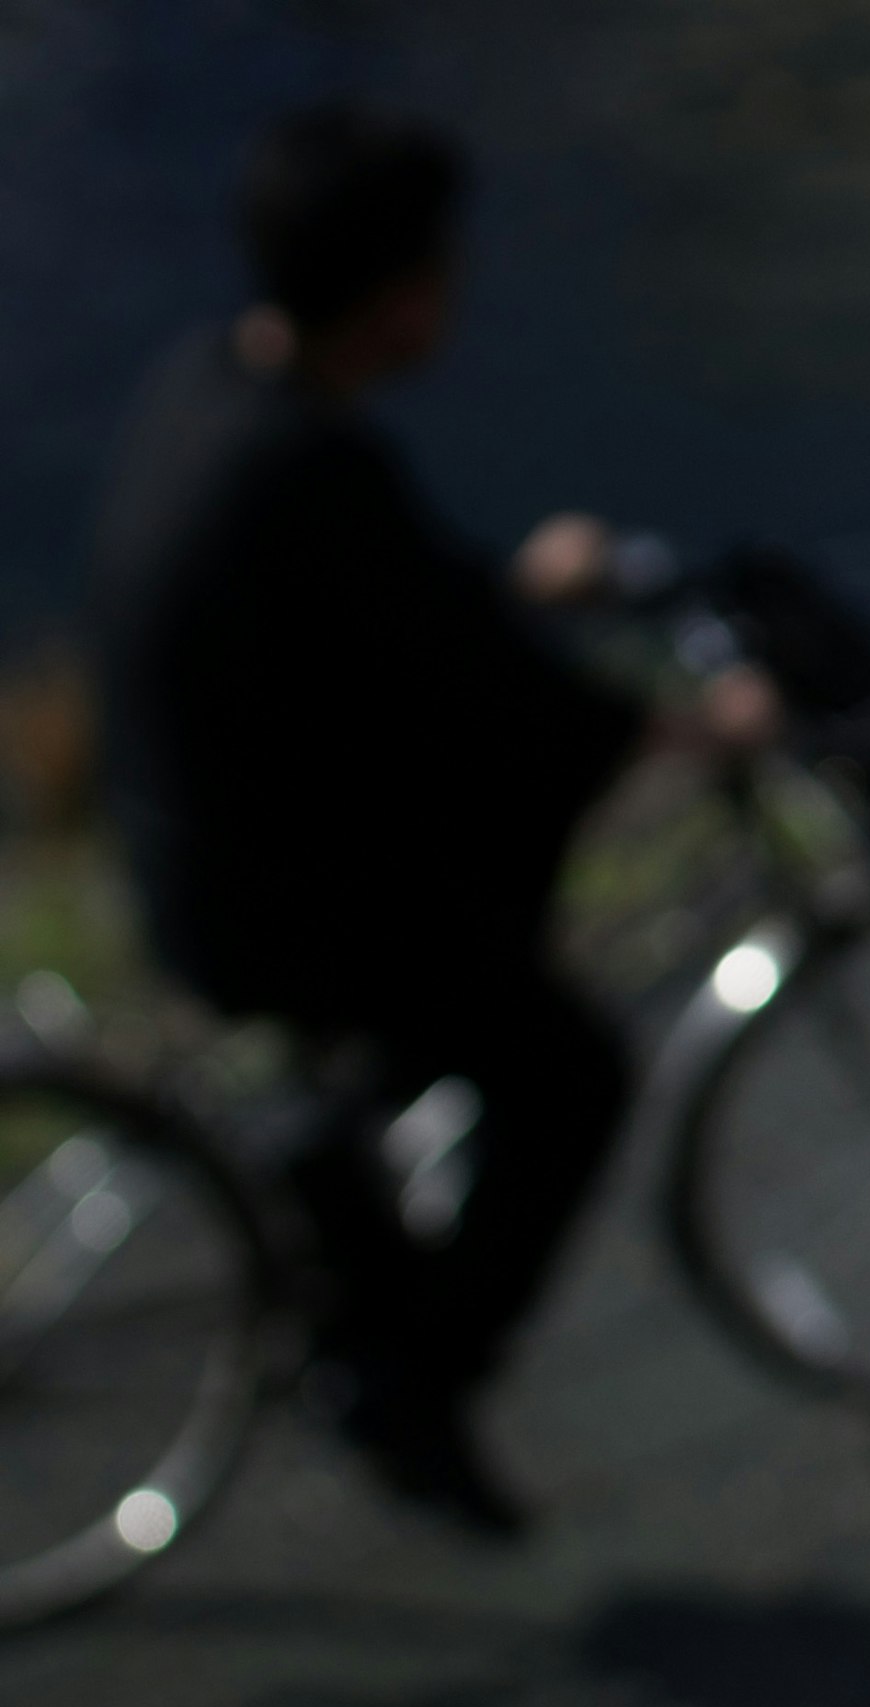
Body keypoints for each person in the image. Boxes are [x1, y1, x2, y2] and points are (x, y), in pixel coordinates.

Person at [90, 101, 768, 1534]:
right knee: (569, 1071)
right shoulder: (315, 469)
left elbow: (403, 621)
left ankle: (340, 1182)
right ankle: (413, 1383)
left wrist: (517, 596)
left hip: (189, 850)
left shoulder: (210, 389)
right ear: (403, 291)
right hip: (270, 904)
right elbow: (493, 693)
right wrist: (676, 727)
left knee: (451, 1009)